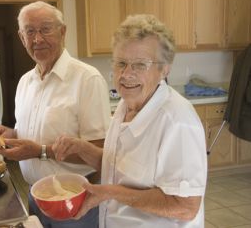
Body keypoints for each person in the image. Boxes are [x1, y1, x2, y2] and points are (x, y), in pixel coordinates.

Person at [52, 14, 207, 227]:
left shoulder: (177, 121)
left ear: (164, 69)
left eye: (140, 65)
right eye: (121, 63)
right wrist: (82, 148)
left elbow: (185, 206)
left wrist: (108, 192)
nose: (126, 74)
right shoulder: (126, 104)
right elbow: (120, 169)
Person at [0, 1, 110, 228]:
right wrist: (6, 135)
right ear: (22, 38)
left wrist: (41, 151)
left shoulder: (87, 79)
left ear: (63, 32)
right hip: (35, 196)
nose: (38, 39)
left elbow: (101, 151)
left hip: (76, 202)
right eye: (30, 31)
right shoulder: (25, 82)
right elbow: (29, 133)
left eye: (45, 29)